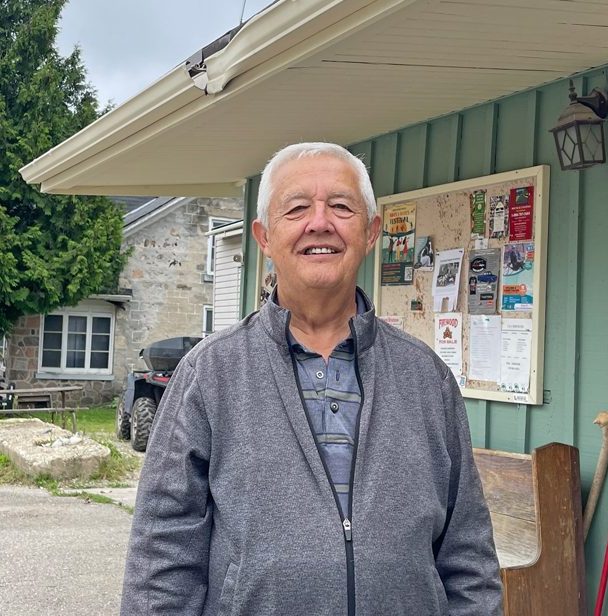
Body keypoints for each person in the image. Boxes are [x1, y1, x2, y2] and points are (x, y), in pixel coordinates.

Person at [121, 142, 502, 615]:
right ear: (264, 236)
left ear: (371, 232)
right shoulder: (211, 374)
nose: (319, 222)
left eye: (341, 207)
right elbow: (162, 556)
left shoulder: (426, 378)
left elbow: (469, 557)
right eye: (297, 208)